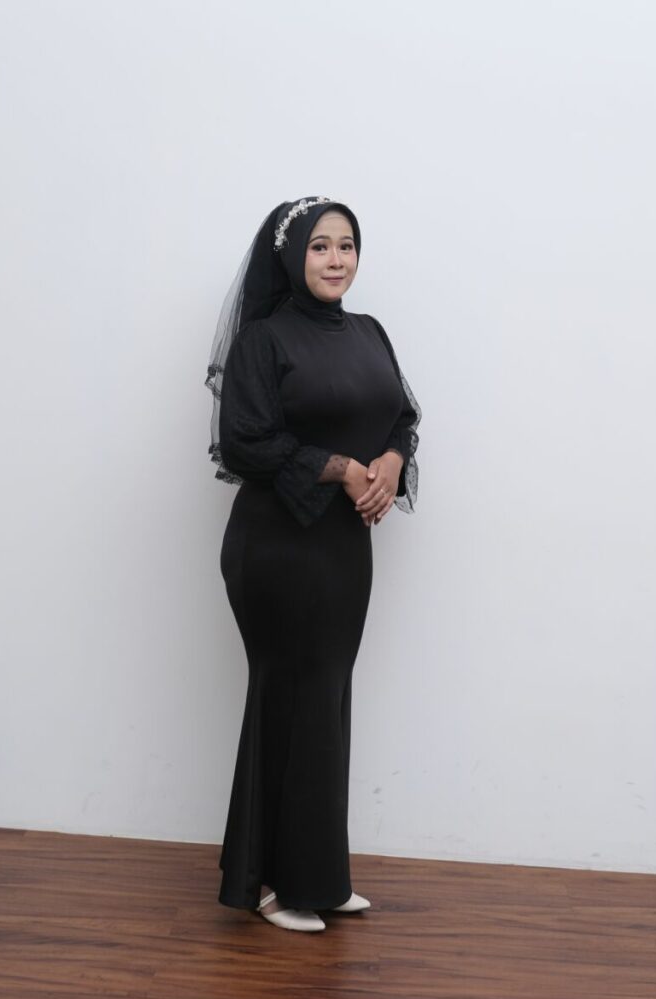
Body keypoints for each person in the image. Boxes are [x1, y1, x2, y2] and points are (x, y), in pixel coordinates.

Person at [205, 196, 420, 932]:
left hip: (342, 548)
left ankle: (319, 878)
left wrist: (389, 460)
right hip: (276, 547)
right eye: (320, 246)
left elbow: (401, 416)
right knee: (287, 698)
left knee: (326, 699)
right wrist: (342, 469)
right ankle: (266, 883)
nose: (336, 259)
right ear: (292, 256)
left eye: (347, 245)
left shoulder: (369, 333)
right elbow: (245, 442)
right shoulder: (263, 341)